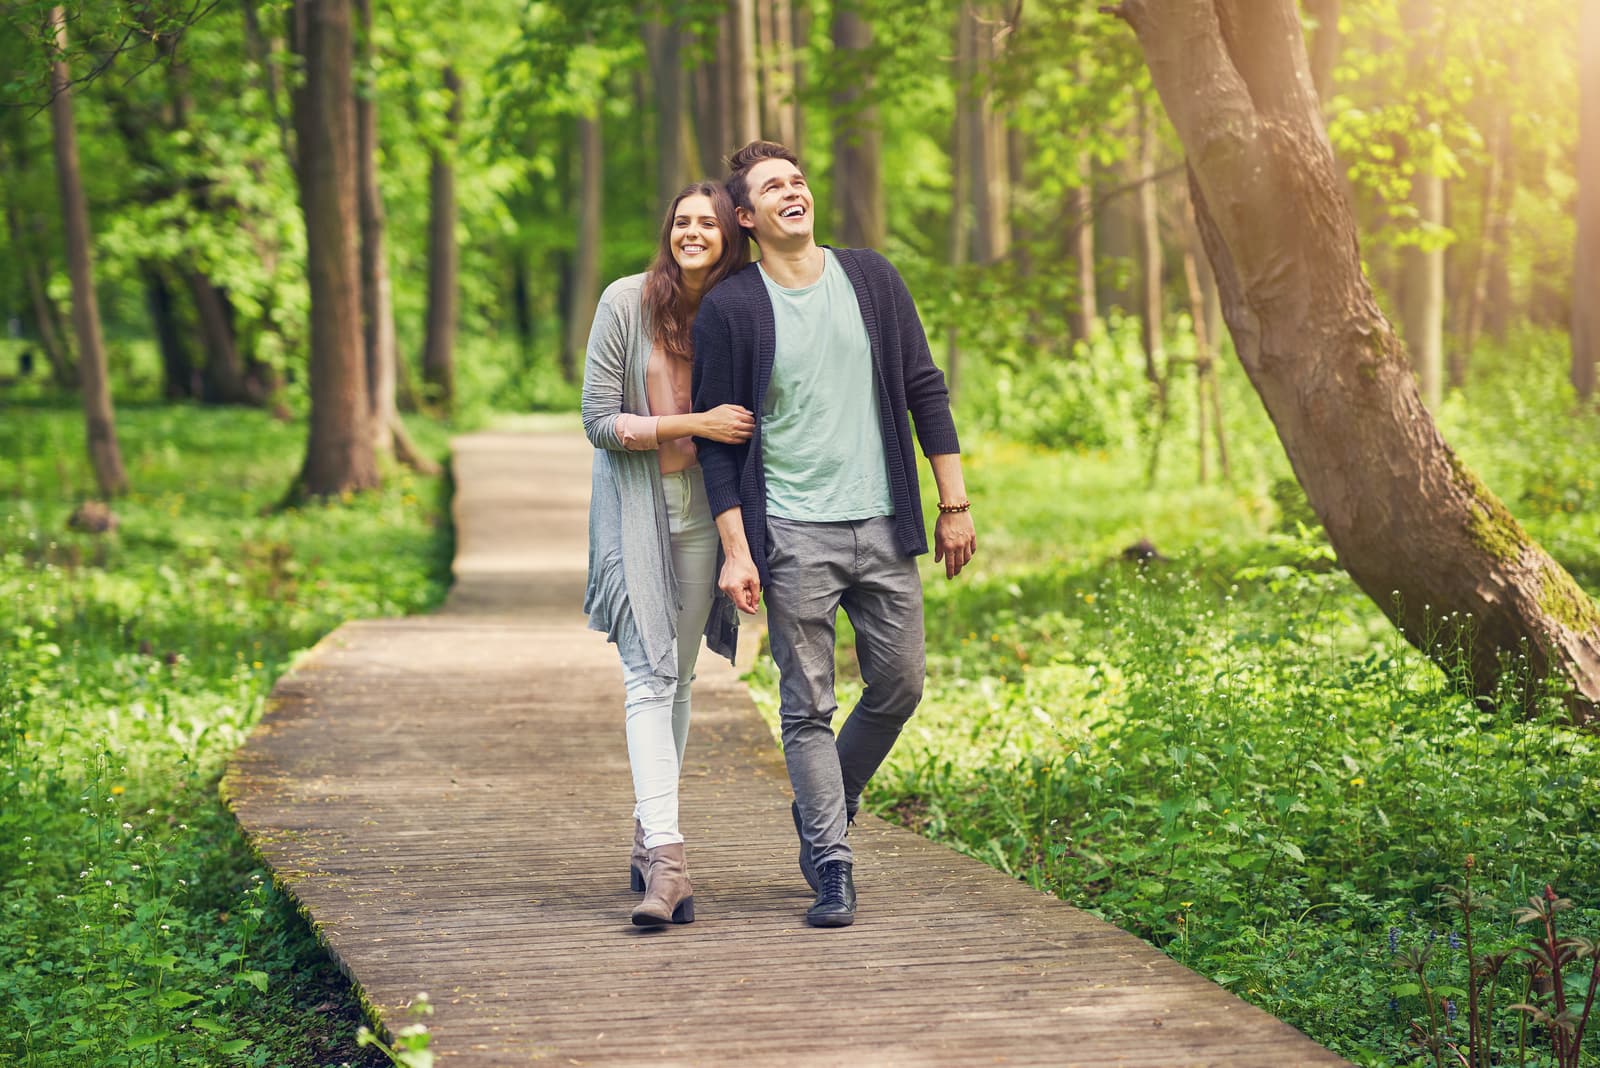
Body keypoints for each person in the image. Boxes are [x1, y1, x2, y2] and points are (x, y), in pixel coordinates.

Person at [692, 141, 977, 928]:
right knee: (806, 704)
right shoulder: (734, 308)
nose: (794, 192)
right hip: (790, 532)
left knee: (900, 685)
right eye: (772, 187)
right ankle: (831, 863)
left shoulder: (873, 279)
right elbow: (721, 444)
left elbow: (925, 387)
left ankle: (826, 804)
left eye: (799, 180)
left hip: (883, 521)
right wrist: (738, 548)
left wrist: (953, 502)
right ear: (746, 217)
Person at [581, 182, 754, 928]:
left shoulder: (739, 308)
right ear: (668, 232)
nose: (691, 232)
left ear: (726, 237)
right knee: (648, 676)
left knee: (676, 677)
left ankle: (649, 831)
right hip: (636, 511)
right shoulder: (626, 302)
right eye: (680, 221)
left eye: (705, 224)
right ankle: (670, 860)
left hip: (707, 514)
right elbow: (597, 420)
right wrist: (697, 422)